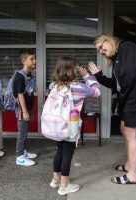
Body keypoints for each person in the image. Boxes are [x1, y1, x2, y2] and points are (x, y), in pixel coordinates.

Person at [87, 34, 136, 184]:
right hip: (129, 100)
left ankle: (133, 175)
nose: (101, 51)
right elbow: (117, 85)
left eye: (102, 47)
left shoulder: (127, 48)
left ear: (109, 40)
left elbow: (129, 78)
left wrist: (123, 98)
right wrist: (99, 76)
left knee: (131, 134)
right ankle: (129, 165)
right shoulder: (118, 57)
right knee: (124, 128)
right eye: (99, 50)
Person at [49, 56, 100, 195]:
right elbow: (97, 92)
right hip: (70, 127)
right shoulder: (78, 87)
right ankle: (64, 186)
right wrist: (88, 77)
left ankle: (56, 179)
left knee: (59, 151)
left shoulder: (55, 86)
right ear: (72, 70)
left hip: (57, 126)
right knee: (67, 155)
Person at [13, 49, 38, 166]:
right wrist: (24, 112)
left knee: (25, 131)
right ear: (24, 61)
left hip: (28, 107)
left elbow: (28, 90)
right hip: (22, 109)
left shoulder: (29, 74)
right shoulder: (20, 76)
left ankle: (23, 151)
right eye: (32, 59)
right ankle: (19, 156)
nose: (35, 61)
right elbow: (20, 94)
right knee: (21, 133)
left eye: (34, 59)